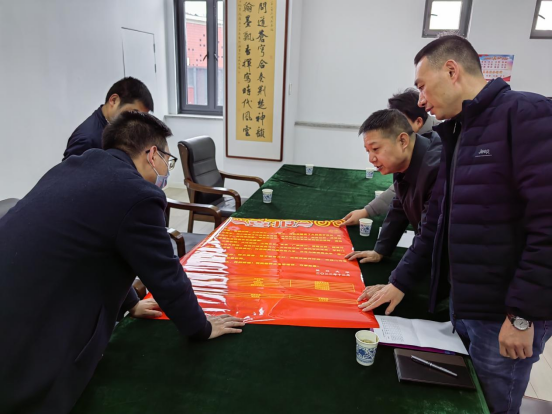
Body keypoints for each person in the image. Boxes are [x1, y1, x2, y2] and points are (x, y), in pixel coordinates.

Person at [0, 112, 244, 414]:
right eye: (168, 161)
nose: (166, 172)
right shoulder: (137, 194)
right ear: (152, 154)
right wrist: (201, 328)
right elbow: (166, 276)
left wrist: (131, 304)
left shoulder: (72, 167)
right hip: (32, 336)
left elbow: (103, 249)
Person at [359, 35, 552, 414]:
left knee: (494, 405)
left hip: (505, 314)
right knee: (463, 402)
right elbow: (436, 221)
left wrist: (522, 315)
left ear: (451, 70)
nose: (421, 101)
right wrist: (400, 281)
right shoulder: (459, 131)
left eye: (422, 87)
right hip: (466, 303)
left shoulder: (527, 115)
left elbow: (548, 226)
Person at [344, 109, 441, 268]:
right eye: (368, 151)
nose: (371, 159)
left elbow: (430, 234)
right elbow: (400, 206)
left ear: (402, 141)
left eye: (376, 149)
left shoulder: (437, 169)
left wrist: (396, 281)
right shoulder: (406, 161)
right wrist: (380, 250)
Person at [341, 88, 439, 227]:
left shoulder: (436, 152)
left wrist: (367, 211)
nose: (371, 159)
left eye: (401, 121)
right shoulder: (405, 152)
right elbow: (399, 200)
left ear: (418, 122)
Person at [62, 77, 153, 161]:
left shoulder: (117, 128)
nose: (137, 121)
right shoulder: (86, 139)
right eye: (134, 113)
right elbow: (69, 172)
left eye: (142, 117)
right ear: (114, 100)